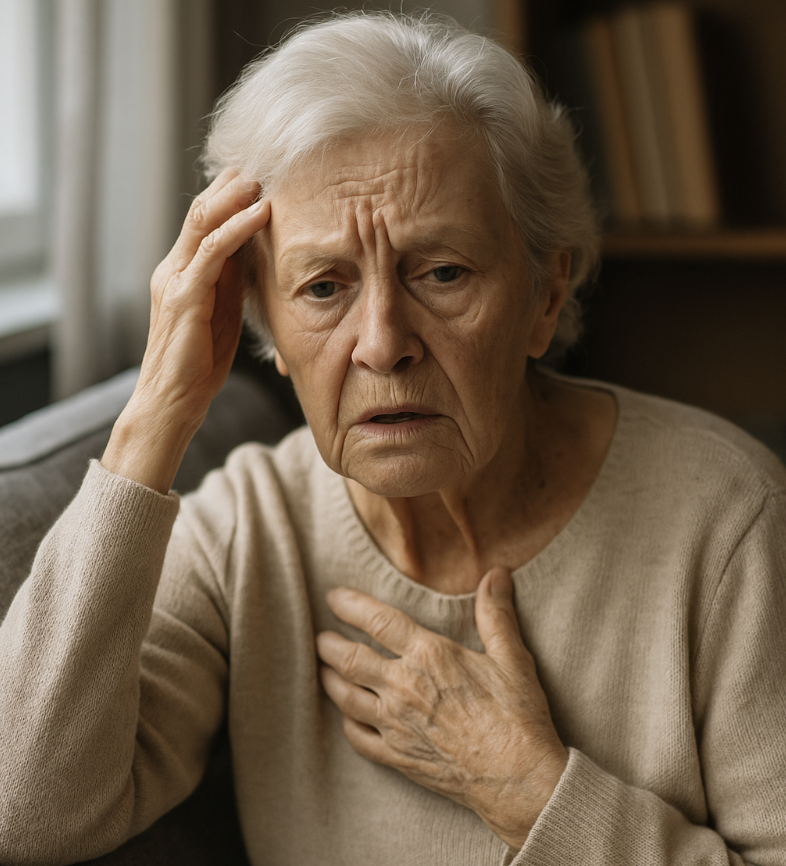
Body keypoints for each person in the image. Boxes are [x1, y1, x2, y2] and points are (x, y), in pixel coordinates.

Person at [1, 11, 785, 866]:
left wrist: (529, 790)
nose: (382, 341)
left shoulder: (729, 524)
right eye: (323, 287)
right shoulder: (244, 531)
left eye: (441, 271)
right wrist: (155, 410)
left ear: (545, 294)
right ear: (261, 317)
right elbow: (25, 813)